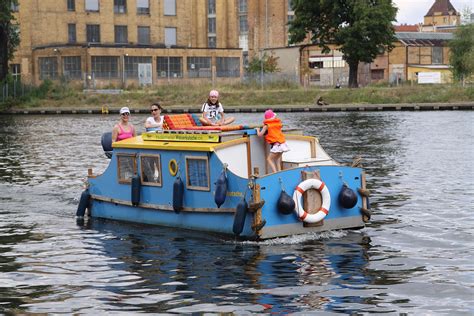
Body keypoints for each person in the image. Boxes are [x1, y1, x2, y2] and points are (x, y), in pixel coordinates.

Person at [255, 109, 290, 173]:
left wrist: (257, 130)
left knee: (269, 159)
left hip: (276, 145)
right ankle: (279, 172)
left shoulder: (266, 126)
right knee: (277, 159)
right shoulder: (278, 124)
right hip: (283, 144)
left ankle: (275, 172)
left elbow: (260, 135)